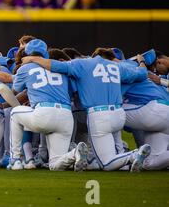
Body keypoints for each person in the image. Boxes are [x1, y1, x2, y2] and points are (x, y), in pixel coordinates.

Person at [21, 47, 151, 172]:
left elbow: (55, 65)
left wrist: (34, 59)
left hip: (99, 116)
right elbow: (143, 74)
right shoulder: (116, 66)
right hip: (119, 114)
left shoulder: (82, 64)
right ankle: (130, 154)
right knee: (108, 155)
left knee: (106, 163)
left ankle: (134, 155)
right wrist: (141, 62)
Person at [7, 39, 89, 171]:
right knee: (55, 164)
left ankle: (15, 159)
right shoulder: (60, 67)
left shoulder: (25, 68)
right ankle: (75, 153)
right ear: (45, 53)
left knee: (15, 113)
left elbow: (15, 90)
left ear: (27, 53)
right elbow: (73, 91)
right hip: (66, 116)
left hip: (44, 114)